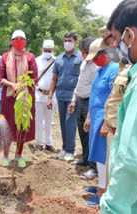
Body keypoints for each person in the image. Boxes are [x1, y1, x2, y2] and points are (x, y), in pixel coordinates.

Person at [100, 0, 137, 213]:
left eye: (116, 39)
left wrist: (111, 208)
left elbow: (131, 162)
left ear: (129, 34)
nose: (116, 47)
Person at [82, 38, 119, 206]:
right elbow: (95, 94)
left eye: (96, 57)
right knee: (97, 154)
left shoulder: (114, 69)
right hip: (96, 117)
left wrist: (106, 123)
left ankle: (102, 192)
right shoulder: (100, 69)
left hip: (105, 120)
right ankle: (100, 184)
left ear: (106, 52)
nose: (94, 61)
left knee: (104, 156)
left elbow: (114, 99)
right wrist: (89, 117)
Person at [0, 30, 38, 168]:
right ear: (12, 41)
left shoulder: (30, 57)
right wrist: (12, 84)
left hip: (24, 97)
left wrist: (22, 85)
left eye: (22, 38)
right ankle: (5, 155)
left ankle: (19, 155)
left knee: (22, 125)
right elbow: (0, 77)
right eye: (16, 38)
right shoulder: (4, 57)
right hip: (8, 98)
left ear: (25, 41)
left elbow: (35, 78)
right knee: (7, 126)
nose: (19, 41)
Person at [98, 26, 132, 188]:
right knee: (111, 176)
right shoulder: (123, 67)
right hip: (113, 131)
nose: (112, 46)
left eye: (114, 39)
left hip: (123, 135)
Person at [47, 32, 83, 161]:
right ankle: (64, 148)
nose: (67, 43)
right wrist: (50, 97)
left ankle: (71, 150)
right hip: (60, 95)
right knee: (62, 123)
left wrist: (76, 97)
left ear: (75, 42)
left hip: (73, 96)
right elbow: (54, 79)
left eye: (70, 40)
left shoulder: (80, 58)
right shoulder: (59, 59)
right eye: (65, 40)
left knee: (70, 123)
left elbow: (82, 79)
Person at [68, 37, 98, 179]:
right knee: (82, 133)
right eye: (82, 51)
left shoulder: (96, 67)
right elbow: (79, 83)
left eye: (85, 52)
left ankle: (93, 167)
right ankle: (86, 159)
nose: (83, 54)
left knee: (90, 134)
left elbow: (95, 90)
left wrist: (89, 114)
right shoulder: (84, 64)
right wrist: (74, 100)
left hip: (89, 103)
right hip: (80, 101)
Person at [34, 39, 57, 152]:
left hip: (51, 96)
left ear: (53, 50)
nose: (47, 52)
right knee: (38, 120)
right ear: (42, 49)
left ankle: (49, 143)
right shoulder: (36, 60)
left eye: (49, 50)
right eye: (45, 50)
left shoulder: (57, 61)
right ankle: (40, 143)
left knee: (49, 120)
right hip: (38, 94)